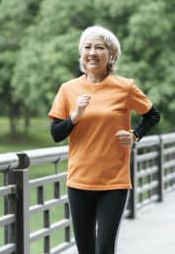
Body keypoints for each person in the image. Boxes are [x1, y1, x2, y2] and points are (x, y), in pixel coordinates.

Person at [48, 25, 160, 254]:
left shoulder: (125, 87)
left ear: (112, 55)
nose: (92, 52)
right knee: (86, 250)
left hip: (114, 182)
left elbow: (152, 115)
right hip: (79, 181)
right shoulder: (68, 89)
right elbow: (56, 133)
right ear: (81, 54)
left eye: (99, 47)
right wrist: (75, 116)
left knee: (105, 249)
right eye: (87, 47)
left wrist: (134, 135)